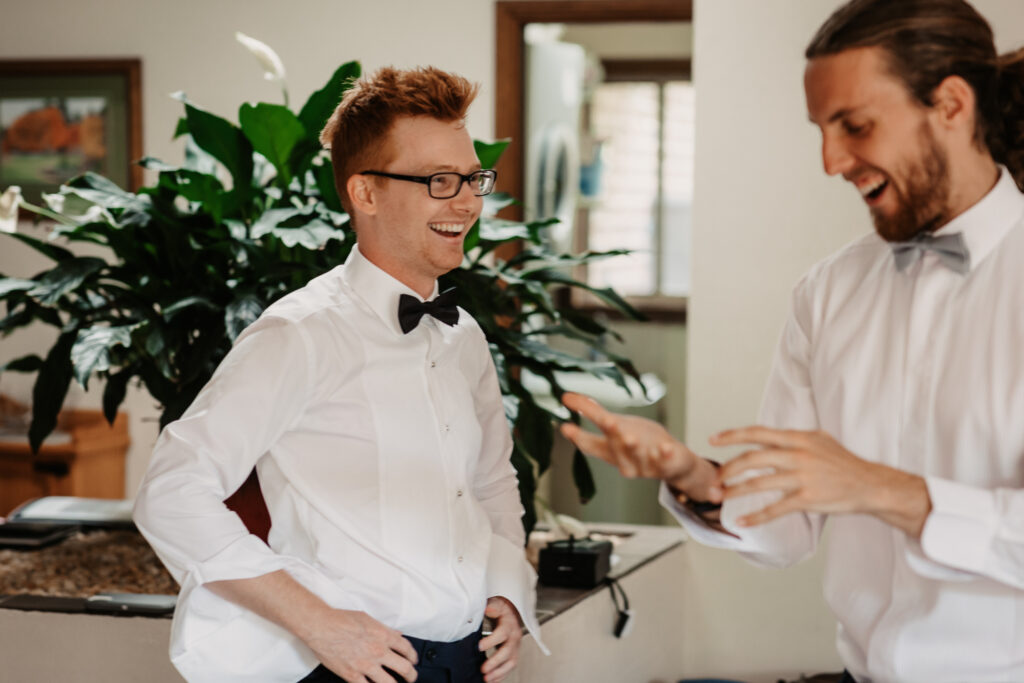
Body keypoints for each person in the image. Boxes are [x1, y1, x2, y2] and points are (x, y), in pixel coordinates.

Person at [560, 1, 1024, 681]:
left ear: (951, 105)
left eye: (855, 125)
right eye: (822, 130)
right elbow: (783, 529)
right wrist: (691, 475)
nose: (832, 161)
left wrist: (886, 490)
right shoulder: (828, 291)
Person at [134, 66, 544, 683]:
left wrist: (508, 589)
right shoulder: (300, 333)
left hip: (469, 663)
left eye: (471, 178)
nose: (467, 202)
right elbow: (172, 491)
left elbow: (490, 482)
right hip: (352, 667)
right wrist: (319, 623)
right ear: (365, 193)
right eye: (439, 180)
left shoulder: (463, 336)